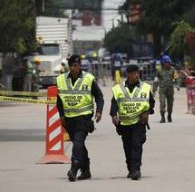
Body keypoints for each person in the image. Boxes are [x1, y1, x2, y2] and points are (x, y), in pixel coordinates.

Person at [56, 54, 104, 182]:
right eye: (71, 65)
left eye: (75, 65)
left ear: (80, 65)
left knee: (78, 142)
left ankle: (74, 167)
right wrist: (61, 115)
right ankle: (86, 170)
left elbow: (99, 96)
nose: (73, 68)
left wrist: (99, 111)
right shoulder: (61, 79)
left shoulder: (88, 79)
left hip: (84, 118)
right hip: (69, 119)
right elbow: (59, 100)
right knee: (79, 145)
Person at [111, 64, 154, 180]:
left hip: (139, 122)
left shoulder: (145, 88)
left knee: (136, 145)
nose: (137, 75)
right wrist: (114, 115)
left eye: (138, 73)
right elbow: (114, 104)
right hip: (124, 124)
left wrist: (147, 112)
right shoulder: (118, 89)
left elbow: (152, 103)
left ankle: (136, 169)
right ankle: (131, 168)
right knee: (127, 147)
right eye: (134, 73)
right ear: (128, 75)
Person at [154, 54, 178, 123]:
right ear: (163, 63)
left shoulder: (172, 69)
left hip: (170, 90)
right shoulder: (159, 70)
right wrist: (154, 89)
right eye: (167, 62)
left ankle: (169, 115)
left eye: (169, 62)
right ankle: (162, 117)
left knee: (170, 104)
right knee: (162, 103)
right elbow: (156, 80)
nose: (168, 64)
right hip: (162, 90)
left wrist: (177, 85)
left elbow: (176, 77)